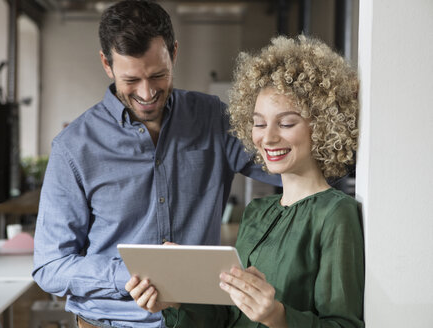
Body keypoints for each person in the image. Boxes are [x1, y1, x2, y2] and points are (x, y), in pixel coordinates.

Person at [32, 1, 280, 327]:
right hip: (109, 322)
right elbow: (50, 265)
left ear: (174, 53)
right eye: (131, 80)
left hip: (196, 321)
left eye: (158, 75)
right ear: (107, 64)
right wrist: (133, 273)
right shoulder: (73, 148)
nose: (147, 93)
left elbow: (289, 168)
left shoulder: (212, 119)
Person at [126, 35, 364, 328]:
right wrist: (176, 299)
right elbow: (227, 317)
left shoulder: (335, 214)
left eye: (287, 123)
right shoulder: (257, 212)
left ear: (324, 125)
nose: (268, 137)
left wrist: (276, 316)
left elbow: (344, 325)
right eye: (259, 123)